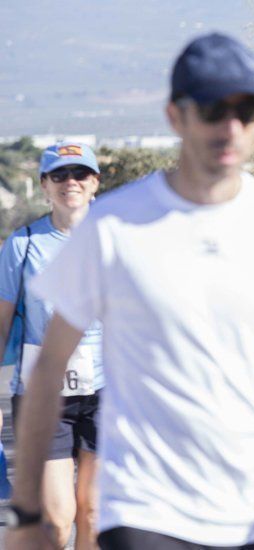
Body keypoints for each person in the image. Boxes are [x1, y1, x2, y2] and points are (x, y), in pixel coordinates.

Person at [6, 33, 254, 550]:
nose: (230, 126)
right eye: (212, 108)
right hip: (147, 509)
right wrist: (28, 513)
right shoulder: (115, 225)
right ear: (175, 116)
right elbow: (47, 370)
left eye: (246, 110)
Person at [0, 142, 104, 548]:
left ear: (95, 183)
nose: (70, 183)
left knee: (94, 512)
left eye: (79, 174)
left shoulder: (113, 239)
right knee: (58, 522)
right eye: (59, 175)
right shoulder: (22, 245)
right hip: (42, 395)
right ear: (44, 185)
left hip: (107, 391)